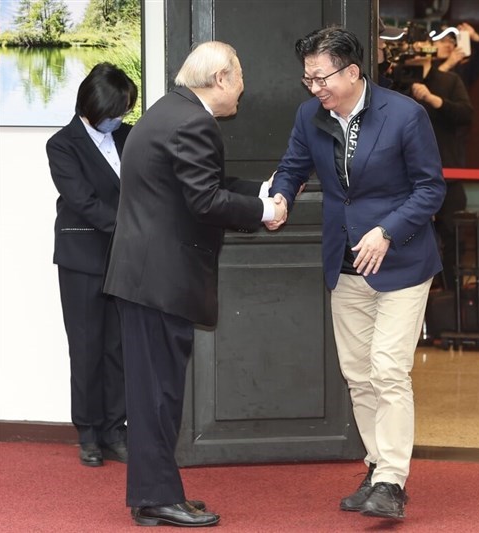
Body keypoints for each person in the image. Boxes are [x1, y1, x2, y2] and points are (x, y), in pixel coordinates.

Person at [104, 41, 285, 527]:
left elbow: (200, 184)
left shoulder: (171, 111)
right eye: (240, 78)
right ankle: (157, 498)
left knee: (155, 394)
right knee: (158, 396)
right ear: (221, 77)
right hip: (158, 282)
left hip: (146, 279)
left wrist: (261, 192)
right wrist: (264, 211)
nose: (243, 89)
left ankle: (154, 495)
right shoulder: (193, 122)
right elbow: (205, 200)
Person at [268, 27, 445, 520]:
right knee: (359, 376)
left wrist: (386, 231)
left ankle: (391, 481)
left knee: (388, 369)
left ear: (351, 72)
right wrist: (281, 197)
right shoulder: (309, 115)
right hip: (344, 265)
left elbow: (431, 189)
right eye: (307, 79)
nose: (314, 88)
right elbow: (292, 167)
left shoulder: (405, 114)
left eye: (320, 78)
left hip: (401, 262)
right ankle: (377, 463)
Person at [47, 63, 137, 468]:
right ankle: (87, 433)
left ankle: (115, 430)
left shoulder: (128, 136)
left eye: (125, 110)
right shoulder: (62, 145)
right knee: (86, 347)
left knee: (118, 346)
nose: (120, 118)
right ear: (92, 106)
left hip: (124, 257)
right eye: (115, 111)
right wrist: (133, 229)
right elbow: (83, 200)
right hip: (82, 256)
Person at [400, 36, 474, 290]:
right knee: (408, 238)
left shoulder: (448, 81)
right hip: (404, 179)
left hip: (445, 173)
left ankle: (452, 297)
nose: (417, 50)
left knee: (453, 239)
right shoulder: (395, 81)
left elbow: (466, 114)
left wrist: (434, 100)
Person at [433, 22, 479, 90]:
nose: (448, 45)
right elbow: (430, 84)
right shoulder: (425, 63)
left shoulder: (460, 68)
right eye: (442, 41)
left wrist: (474, 36)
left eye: (451, 41)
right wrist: (448, 64)